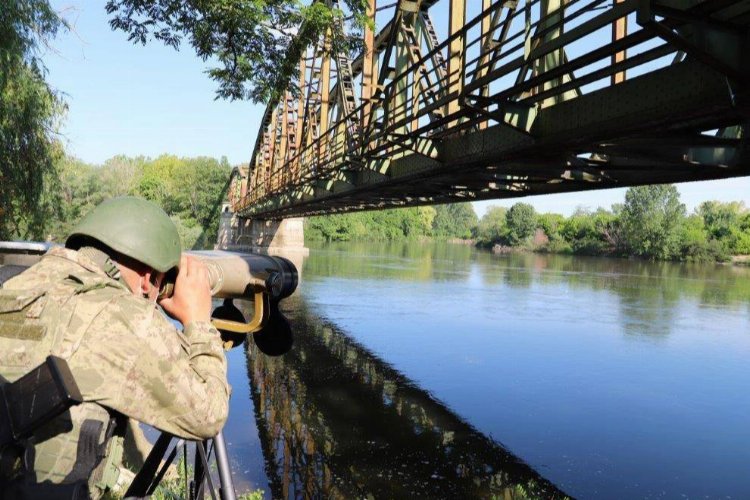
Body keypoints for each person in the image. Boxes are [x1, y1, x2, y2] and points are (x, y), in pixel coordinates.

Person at [0, 196, 230, 499]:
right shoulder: (125, 317)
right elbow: (208, 414)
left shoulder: (16, 284)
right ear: (149, 279)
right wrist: (199, 320)